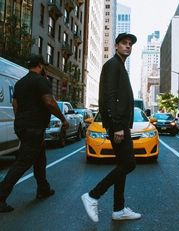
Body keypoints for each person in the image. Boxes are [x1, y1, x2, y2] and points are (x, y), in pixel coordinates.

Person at [81, 33, 141, 222]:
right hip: (118, 125)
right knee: (129, 164)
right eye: (124, 43)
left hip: (121, 124)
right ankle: (93, 195)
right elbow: (108, 97)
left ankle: (118, 209)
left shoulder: (119, 66)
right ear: (116, 46)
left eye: (130, 44)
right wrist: (116, 126)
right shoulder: (112, 65)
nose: (128, 46)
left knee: (123, 164)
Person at [0, 54, 69, 212]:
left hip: (23, 127)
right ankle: (1, 196)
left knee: (40, 159)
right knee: (23, 162)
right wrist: (63, 119)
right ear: (40, 65)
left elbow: (15, 104)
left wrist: (21, 121)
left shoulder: (20, 83)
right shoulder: (41, 81)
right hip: (34, 128)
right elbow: (49, 102)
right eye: (43, 66)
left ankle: (43, 189)